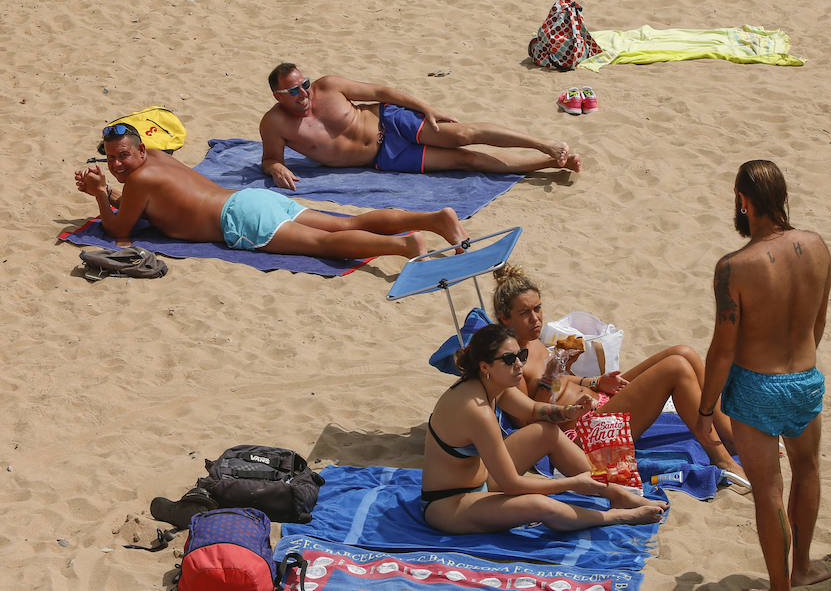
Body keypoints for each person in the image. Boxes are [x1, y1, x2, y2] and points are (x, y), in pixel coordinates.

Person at [696, 160, 831, 591]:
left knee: (768, 491)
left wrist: (705, 409)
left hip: (757, 385)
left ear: (743, 201)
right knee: (807, 470)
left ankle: (780, 585)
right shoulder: (817, 246)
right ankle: (804, 567)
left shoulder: (733, 267)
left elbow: (722, 350)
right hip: (806, 379)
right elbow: (818, 325)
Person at [491, 265, 746, 479]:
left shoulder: (531, 340)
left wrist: (595, 380)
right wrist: (550, 375)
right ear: (504, 318)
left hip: (599, 402)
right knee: (676, 368)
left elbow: (562, 381)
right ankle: (721, 458)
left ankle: (730, 436)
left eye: (538, 308)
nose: (536, 318)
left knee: (683, 352)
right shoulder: (510, 361)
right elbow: (529, 426)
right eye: (525, 313)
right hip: (585, 435)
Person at [74, 123, 468, 260]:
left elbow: (117, 230)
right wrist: (111, 191)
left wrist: (98, 194)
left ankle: (405, 246)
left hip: (239, 221)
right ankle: (435, 219)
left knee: (324, 245)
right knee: (346, 222)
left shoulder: (140, 180)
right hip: (248, 200)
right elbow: (144, 202)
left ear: (139, 150)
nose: (117, 165)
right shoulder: (155, 158)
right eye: (111, 159)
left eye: (123, 155)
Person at [422, 324, 668, 534]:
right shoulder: (476, 411)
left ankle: (618, 495)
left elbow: (531, 410)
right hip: (451, 503)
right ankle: (617, 516)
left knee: (547, 431)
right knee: (541, 505)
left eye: (522, 355)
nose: (519, 364)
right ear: (485, 366)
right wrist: (571, 483)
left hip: (483, 478)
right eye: (509, 359)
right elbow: (512, 485)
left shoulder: (491, 384)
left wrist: (569, 412)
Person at [258, 63, 582, 190]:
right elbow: (270, 158)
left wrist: (426, 108)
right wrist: (275, 168)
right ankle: (551, 162)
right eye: (293, 91)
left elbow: (382, 93)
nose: (303, 94)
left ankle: (544, 144)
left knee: (463, 135)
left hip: (391, 121)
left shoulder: (328, 87)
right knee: (466, 160)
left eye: (305, 85)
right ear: (277, 95)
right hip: (383, 158)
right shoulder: (274, 123)